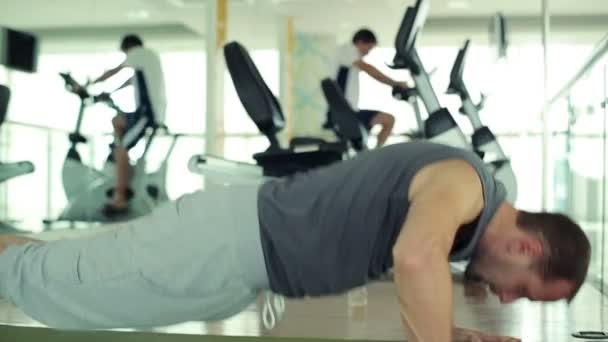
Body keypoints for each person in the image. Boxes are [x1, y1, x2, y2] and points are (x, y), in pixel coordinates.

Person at [0, 142, 590, 342]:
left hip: (234, 265)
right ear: (526, 250)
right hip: (217, 248)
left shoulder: (466, 200)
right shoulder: (467, 184)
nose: (509, 303)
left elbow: (417, 258)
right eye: (527, 295)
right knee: (38, 282)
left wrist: (445, 331)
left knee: (50, 268)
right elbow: (415, 257)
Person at [91, 34, 167, 216]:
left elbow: (115, 71)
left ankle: (119, 198)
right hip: (146, 111)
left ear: (128, 48)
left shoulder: (139, 53)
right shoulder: (147, 60)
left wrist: (89, 84)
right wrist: (109, 92)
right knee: (117, 120)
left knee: (121, 149)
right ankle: (125, 171)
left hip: (148, 114)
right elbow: (130, 81)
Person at [324, 28, 413, 148]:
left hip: (351, 112)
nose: (368, 52)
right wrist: (395, 83)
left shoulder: (349, 58)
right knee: (388, 119)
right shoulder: (348, 50)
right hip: (343, 116)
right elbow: (370, 70)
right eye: (369, 48)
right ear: (360, 42)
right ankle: (375, 153)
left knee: (388, 120)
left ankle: (376, 152)